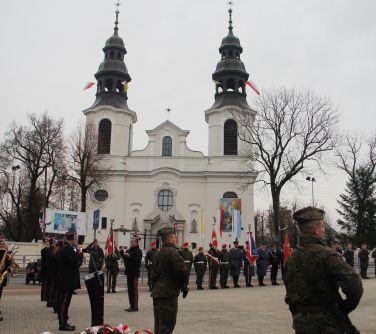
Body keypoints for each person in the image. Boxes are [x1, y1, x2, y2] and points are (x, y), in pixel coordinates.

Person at [285, 207, 363, 334]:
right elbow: (355, 286)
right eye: (322, 227)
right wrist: (343, 308)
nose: (323, 231)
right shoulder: (327, 255)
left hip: (301, 325)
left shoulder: (291, 259)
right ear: (316, 230)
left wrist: (301, 314)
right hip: (327, 324)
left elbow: (289, 296)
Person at [152, 227, 187, 334]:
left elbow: (154, 273)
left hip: (158, 292)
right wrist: (184, 285)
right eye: (175, 237)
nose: (176, 240)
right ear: (170, 239)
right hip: (169, 292)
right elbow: (182, 270)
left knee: (159, 323)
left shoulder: (158, 253)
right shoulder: (173, 252)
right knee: (168, 323)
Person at [56, 231, 80, 331]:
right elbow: (74, 262)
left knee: (65, 302)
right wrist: (78, 253)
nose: (76, 241)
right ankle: (62, 324)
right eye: (75, 239)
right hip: (66, 280)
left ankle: (64, 321)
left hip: (65, 279)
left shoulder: (65, 248)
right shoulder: (67, 249)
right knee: (64, 302)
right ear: (73, 239)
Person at [120, 237, 142, 312]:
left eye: (134, 242)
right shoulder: (129, 250)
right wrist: (122, 253)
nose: (132, 243)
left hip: (134, 273)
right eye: (131, 241)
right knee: (130, 290)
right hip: (129, 272)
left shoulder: (138, 251)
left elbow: (137, 260)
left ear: (137, 243)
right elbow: (126, 260)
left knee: (134, 290)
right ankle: (131, 305)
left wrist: (129, 256)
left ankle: (135, 306)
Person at [0, 236, 12, 322]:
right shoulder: (3, 252)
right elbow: (6, 264)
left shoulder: (4, 252)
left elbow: (7, 264)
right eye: (3, 243)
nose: (4, 245)